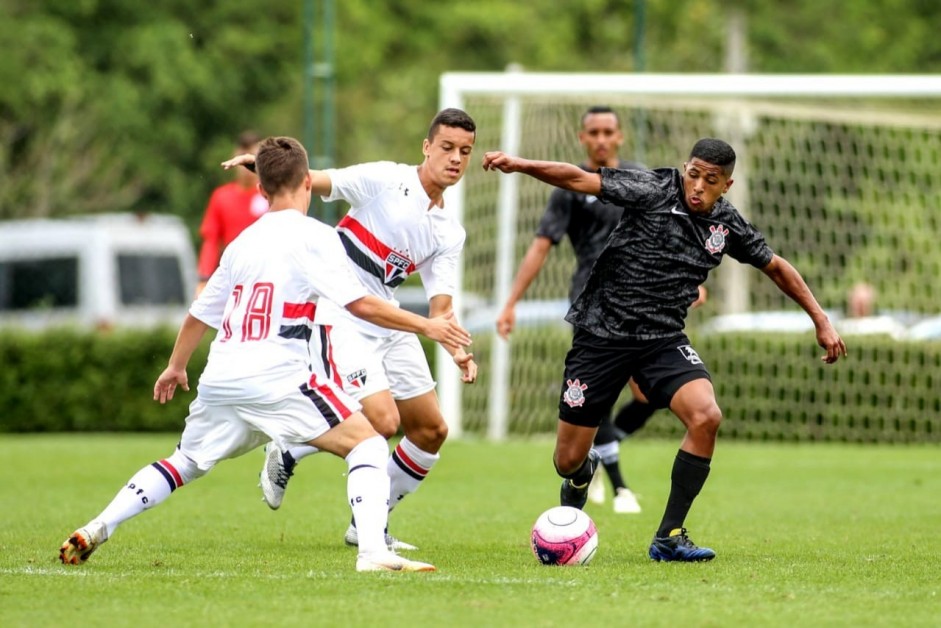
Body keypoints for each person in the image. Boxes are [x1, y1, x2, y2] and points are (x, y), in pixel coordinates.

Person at [59, 136, 474, 573]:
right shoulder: (317, 237)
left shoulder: (241, 243)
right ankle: (371, 550)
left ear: (260, 190)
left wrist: (175, 366)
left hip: (222, 377)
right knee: (370, 441)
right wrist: (427, 326)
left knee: (182, 462)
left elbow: (199, 313)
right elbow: (360, 304)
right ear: (307, 186)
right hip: (278, 376)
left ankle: (99, 524)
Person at [482, 137, 846, 562]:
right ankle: (581, 478)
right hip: (600, 336)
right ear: (684, 168)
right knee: (567, 460)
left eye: (710, 181)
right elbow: (579, 178)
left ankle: (669, 537)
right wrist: (520, 163)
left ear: (726, 185)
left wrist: (820, 319)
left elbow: (776, 266)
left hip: (661, 341)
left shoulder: (726, 225)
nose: (697, 187)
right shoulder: (653, 189)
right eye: (693, 174)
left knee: (706, 416)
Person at [223, 109, 478, 552]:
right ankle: (288, 446)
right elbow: (313, 180)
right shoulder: (385, 179)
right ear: (426, 146)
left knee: (431, 430)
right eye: (447, 148)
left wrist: (457, 348)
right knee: (382, 422)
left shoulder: (448, 231)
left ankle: (366, 526)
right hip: (340, 310)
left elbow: (442, 306)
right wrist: (261, 165)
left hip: (388, 317)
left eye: (465, 152)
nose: (455, 158)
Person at [496, 106, 650, 514]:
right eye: (593, 132)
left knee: (649, 393)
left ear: (620, 136)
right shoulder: (568, 187)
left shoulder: (638, 179)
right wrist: (511, 302)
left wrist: (691, 284)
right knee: (597, 395)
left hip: (640, 298)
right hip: (591, 301)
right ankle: (620, 487)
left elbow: (665, 235)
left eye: (608, 131)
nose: (601, 138)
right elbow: (541, 245)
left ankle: (598, 453)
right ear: (583, 138)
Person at [195, 130, 270, 296]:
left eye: (252, 154)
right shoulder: (221, 196)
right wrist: (204, 278)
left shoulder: (272, 194)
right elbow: (211, 241)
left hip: (268, 275)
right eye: (243, 153)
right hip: (234, 276)